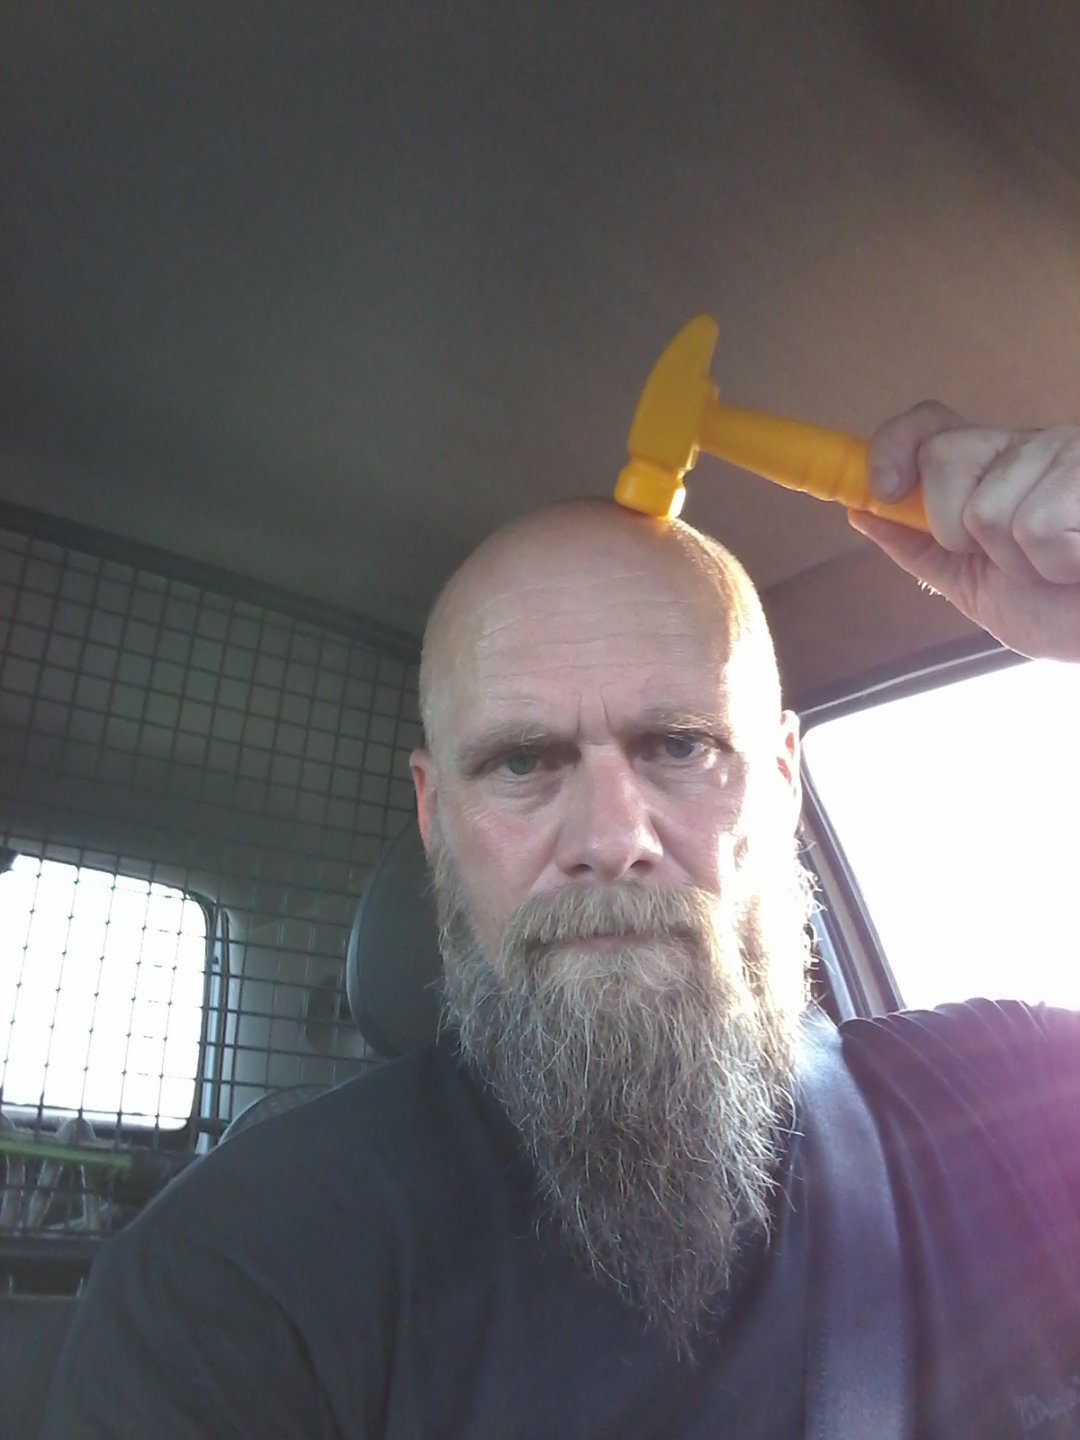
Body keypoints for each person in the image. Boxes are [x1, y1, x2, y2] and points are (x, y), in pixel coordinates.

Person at [39, 404, 1080, 1438]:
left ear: (780, 781)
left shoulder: (1019, 1109)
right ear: (434, 818)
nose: (611, 838)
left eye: (679, 746)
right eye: (523, 762)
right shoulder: (236, 1276)